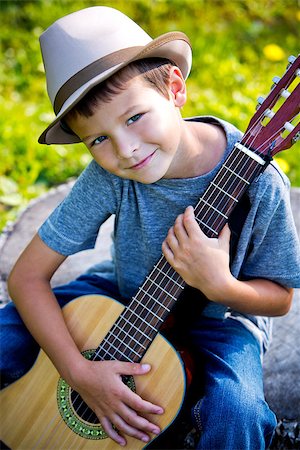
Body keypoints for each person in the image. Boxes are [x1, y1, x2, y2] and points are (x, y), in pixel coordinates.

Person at [1, 6, 300, 449]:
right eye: (98, 139)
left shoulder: (259, 182)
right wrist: (78, 371)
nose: (125, 150)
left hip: (221, 317)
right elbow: (27, 277)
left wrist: (219, 284)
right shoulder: (109, 175)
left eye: (134, 117)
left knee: (239, 414)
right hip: (121, 292)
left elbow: (279, 299)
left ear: (175, 89)